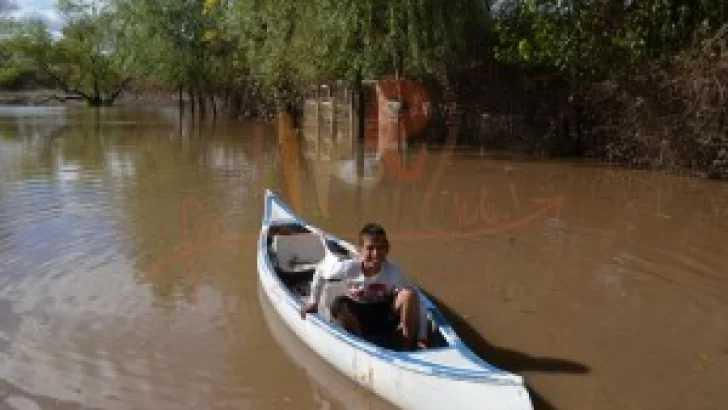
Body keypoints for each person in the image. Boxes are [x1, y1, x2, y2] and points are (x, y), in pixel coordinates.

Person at [300, 223, 427, 350]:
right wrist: (313, 302)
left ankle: (407, 347)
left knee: (408, 294)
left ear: (387, 249)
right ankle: (360, 348)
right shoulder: (348, 268)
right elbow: (321, 271)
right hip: (357, 315)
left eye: (380, 248)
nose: (376, 254)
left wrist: (422, 337)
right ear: (360, 250)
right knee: (339, 304)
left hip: (383, 314)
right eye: (370, 248)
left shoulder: (394, 272)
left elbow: (417, 299)